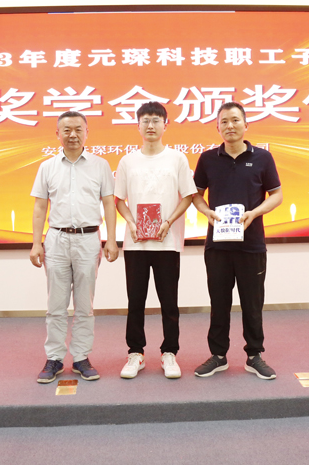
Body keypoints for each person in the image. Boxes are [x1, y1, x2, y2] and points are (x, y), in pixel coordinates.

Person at [191, 101, 283, 380]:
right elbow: (196, 195)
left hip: (251, 245)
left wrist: (255, 213)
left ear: (245, 124)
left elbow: (277, 195)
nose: (229, 126)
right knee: (218, 303)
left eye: (234, 120)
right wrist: (206, 211)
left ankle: (254, 355)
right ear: (217, 127)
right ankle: (218, 356)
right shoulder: (207, 159)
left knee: (252, 303)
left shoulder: (263, 157)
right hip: (217, 246)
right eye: (224, 121)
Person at [30, 110, 119, 383]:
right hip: (56, 239)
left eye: (78, 129)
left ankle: (81, 357)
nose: (72, 135)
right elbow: (40, 207)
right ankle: (54, 358)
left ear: (87, 133)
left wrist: (111, 239)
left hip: (88, 239)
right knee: (55, 305)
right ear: (57, 134)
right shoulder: (47, 167)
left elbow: (109, 204)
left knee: (84, 305)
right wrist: (36, 243)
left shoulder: (100, 165)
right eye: (67, 130)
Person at [114, 102, 197, 379]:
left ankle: (169, 352)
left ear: (165, 124)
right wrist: (131, 222)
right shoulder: (127, 161)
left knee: (169, 301)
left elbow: (188, 196)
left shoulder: (177, 159)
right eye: (145, 120)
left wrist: (168, 221)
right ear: (138, 125)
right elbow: (119, 200)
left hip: (167, 242)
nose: (150, 125)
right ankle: (135, 353)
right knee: (135, 300)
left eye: (156, 120)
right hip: (136, 243)